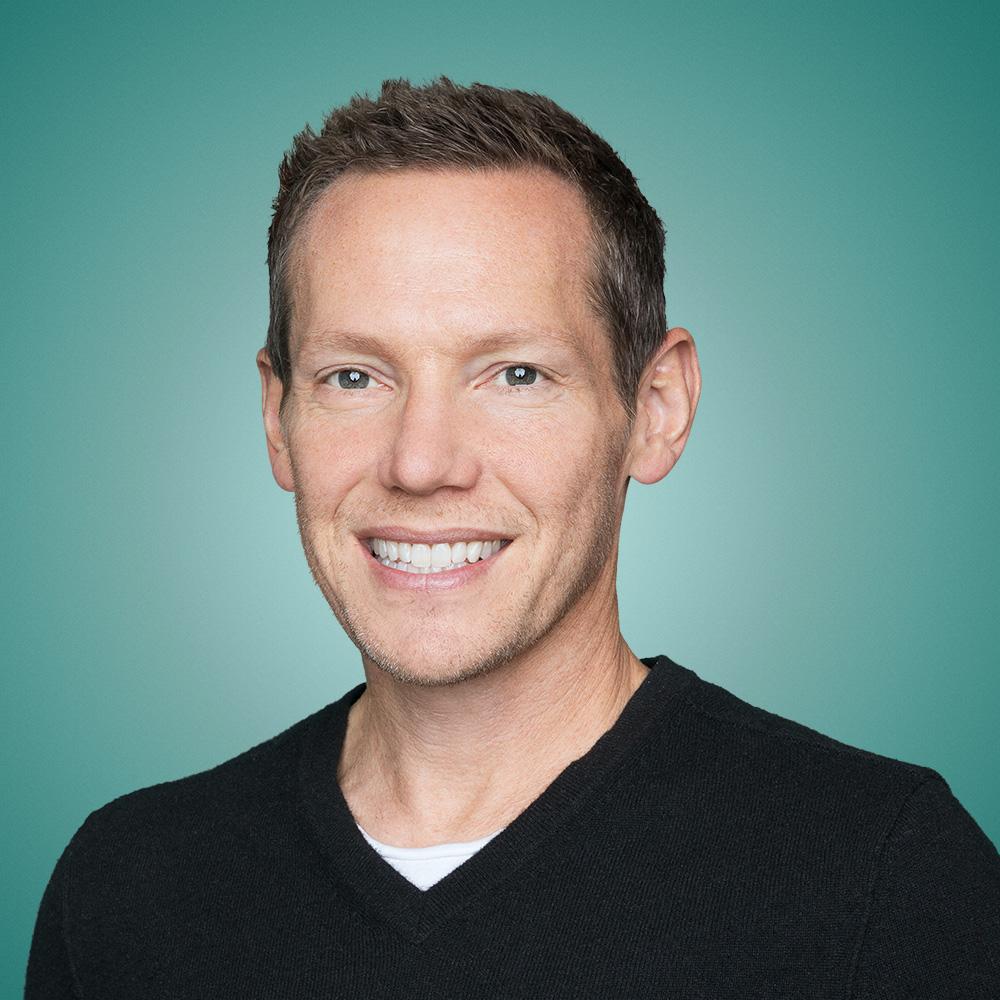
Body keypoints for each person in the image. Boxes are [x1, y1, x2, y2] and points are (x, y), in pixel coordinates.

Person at [26, 77, 999, 999]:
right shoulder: (125, 890)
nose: (421, 462)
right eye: (354, 377)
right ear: (277, 419)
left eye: (516, 375)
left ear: (655, 409)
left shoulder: (884, 875)